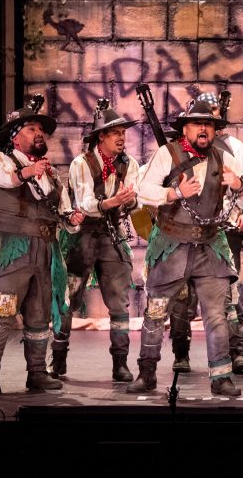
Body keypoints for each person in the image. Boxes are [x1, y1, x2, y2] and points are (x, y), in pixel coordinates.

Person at [128, 100, 243, 396]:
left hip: (209, 246)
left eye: (208, 124)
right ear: (185, 129)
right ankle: (146, 374)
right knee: (156, 312)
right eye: (198, 124)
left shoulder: (225, 157)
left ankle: (221, 377)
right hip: (172, 245)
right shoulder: (167, 153)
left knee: (216, 314)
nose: (203, 129)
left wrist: (239, 186)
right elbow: (143, 191)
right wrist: (173, 193)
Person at [0, 101, 84, 394]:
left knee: (39, 314)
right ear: (15, 137)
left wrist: (72, 219)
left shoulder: (50, 173)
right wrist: (28, 172)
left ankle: (37, 373)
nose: (39, 133)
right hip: (10, 249)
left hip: (44, 250)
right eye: (31, 128)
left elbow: (62, 212)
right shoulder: (0, 161)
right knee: (2, 309)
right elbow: (7, 180)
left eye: (41, 129)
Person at [52, 102, 140, 383]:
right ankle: (58, 358)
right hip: (82, 235)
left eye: (123, 132)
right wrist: (113, 201)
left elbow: (135, 201)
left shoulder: (129, 164)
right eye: (115, 133)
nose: (121, 138)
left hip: (111, 233)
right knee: (68, 298)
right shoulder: (82, 163)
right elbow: (85, 203)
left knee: (119, 302)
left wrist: (130, 201)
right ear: (101, 136)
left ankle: (120, 363)